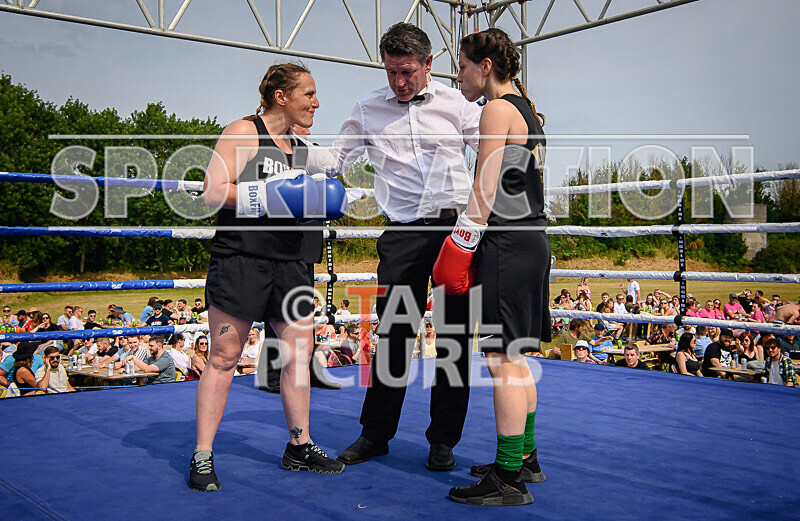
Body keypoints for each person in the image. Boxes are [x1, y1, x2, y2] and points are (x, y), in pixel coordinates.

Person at [307, 23, 481, 475]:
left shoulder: (457, 104)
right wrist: (282, 136)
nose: (399, 82)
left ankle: (443, 440)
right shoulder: (367, 109)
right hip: (402, 234)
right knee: (393, 337)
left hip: (454, 232)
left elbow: (494, 147)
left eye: (407, 71)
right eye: (391, 72)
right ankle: (375, 434)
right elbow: (333, 160)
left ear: (428, 65)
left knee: (456, 339)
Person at [192, 62, 343, 492]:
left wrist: (317, 200)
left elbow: (302, 204)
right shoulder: (244, 131)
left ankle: (300, 445)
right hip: (242, 259)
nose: (316, 102)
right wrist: (274, 196)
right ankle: (202, 454)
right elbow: (213, 191)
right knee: (224, 355)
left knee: (299, 355)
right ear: (282, 97)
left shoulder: (300, 146)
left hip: (293, 262)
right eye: (309, 94)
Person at [432, 27, 550, 506]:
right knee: (517, 357)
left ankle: (507, 478)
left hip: (504, 241)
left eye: (461, 66)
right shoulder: (529, 110)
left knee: (501, 359)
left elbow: (484, 189)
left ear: (485, 67)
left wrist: (458, 245)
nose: (457, 75)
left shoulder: (497, 109)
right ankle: (525, 458)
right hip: (531, 239)